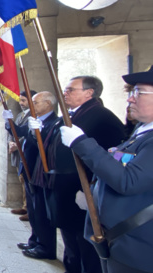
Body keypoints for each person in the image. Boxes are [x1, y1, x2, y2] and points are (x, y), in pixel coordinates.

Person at [60, 66, 153, 273]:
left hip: (136, 247)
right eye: (131, 92)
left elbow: (129, 180)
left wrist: (81, 143)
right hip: (118, 240)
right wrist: (93, 194)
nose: (130, 99)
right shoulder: (141, 132)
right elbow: (120, 161)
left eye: (138, 92)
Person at [46, 76, 125, 273]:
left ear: (89, 92)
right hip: (67, 186)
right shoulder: (74, 113)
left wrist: (89, 187)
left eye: (70, 89)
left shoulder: (103, 117)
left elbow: (109, 157)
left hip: (83, 190)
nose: (65, 93)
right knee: (70, 240)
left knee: (85, 246)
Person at [15, 92, 58, 261]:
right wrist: (9, 120)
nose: (32, 106)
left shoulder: (53, 122)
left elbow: (46, 146)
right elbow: (20, 131)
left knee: (41, 211)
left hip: (40, 172)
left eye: (36, 102)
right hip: (29, 169)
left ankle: (45, 246)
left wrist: (36, 133)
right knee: (34, 210)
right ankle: (34, 240)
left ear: (48, 103)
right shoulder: (36, 118)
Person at [3, 90, 36, 220]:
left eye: (23, 100)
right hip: (17, 154)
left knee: (28, 181)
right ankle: (25, 205)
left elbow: (28, 134)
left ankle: (30, 209)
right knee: (22, 180)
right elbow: (14, 131)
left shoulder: (33, 116)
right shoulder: (20, 115)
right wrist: (10, 142)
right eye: (20, 100)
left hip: (27, 153)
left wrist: (17, 144)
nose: (21, 103)